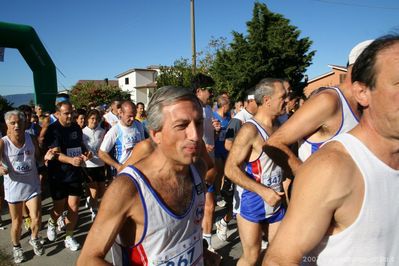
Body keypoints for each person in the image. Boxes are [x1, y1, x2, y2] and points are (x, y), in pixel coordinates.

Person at [264, 35, 399, 266]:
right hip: (323, 194)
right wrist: (308, 174)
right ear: (361, 86)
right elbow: (274, 142)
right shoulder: (329, 100)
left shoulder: (363, 110)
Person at [77, 86, 221, 266]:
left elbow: (180, 235)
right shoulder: (127, 188)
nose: (195, 135)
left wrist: (201, 252)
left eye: (198, 123)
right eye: (182, 125)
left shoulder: (198, 168)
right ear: (155, 134)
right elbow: (87, 260)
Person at [264, 40, 373, 178]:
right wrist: (308, 179)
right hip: (319, 197)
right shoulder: (329, 100)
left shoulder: (364, 105)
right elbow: (273, 144)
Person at [225, 78, 288, 266]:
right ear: (267, 100)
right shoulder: (249, 130)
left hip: (277, 199)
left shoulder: (279, 126)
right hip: (253, 200)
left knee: (278, 252)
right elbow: (230, 169)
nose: (287, 100)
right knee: (251, 256)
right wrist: (263, 191)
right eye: (283, 97)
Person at [44, 101, 91, 251]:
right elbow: (55, 153)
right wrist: (71, 160)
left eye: (71, 112)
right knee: (58, 207)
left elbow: (80, 146)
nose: (70, 115)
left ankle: (69, 237)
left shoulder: (76, 127)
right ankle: (52, 222)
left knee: (74, 207)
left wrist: (85, 153)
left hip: (74, 173)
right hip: (58, 175)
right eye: (66, 113)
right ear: (57, 114)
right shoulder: (53, 130)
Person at [0, 110, 46, 263]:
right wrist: (0, 168)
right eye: (13, 123)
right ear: (7, 124)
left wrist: (46, 158)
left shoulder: (31, 138)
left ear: (25, 123)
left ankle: (34, 238)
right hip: (14, 187)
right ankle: (16, 247)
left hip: (32, 185)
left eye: (19, 122)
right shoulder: (3, 142)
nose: (17, 125)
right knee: (17, 222)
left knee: (37, 217)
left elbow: (38, 158)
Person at [192, 73, 221, 250]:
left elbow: (209, 135)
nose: (211, 93)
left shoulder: (208, 109)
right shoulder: (190, 109)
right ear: (198, 90)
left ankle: (207, 245)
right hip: (194, 165)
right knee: (198, 207)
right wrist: (201, 147)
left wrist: (216, 130)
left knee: (209, 205)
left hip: (209, 165)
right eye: (208, 90)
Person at [98, 100, 145, 175]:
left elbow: (143, 145)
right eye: (129, 116)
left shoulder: (138, 125)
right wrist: (118, 166)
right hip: (123, 172)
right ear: (121, 113)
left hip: (138, 169)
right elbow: (102, 153)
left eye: (134, 115)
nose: (132, 119)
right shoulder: (115, 130)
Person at [82, 109, 106, 221]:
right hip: (88, 165)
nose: (94, 121)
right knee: (94, 190)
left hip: (100, 163)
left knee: (101, 190)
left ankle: (90, 200)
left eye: (96, 119)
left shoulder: (102, 131)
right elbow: (80, 148)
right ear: (87, 119)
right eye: (92, 118)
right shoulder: (82, 132)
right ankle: (95, 210)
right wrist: (85, 155)